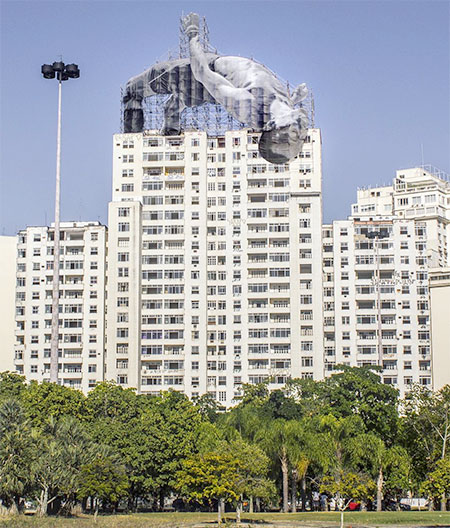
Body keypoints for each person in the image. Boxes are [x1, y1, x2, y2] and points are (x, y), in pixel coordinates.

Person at [123, 13, 309, 164]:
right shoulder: (284, 108)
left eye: (295, 134)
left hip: (199, 73)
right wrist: (294, 98)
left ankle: (130, 145)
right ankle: (170, 125)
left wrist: (192, 33)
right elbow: (275, 108)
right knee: (178, 101)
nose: (302, 131)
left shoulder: (246, 105)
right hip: (209, 74)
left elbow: (201, 72)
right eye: (301, 137)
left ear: (273, 126)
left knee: (133, 88)